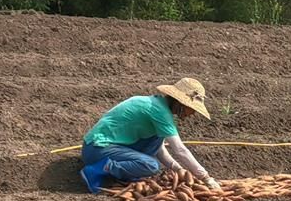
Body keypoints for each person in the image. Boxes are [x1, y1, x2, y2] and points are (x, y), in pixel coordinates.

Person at [79, 78, 224, 194]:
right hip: (97, 149)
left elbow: (158, 147)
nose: (191, 114)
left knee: (155, 139)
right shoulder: (160, 112)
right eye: (191, 109)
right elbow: (180, 150)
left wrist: (178, 169)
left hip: (99, 146)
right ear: (180, 103)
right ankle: (97, 170)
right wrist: (205, 177)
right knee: (151, 165)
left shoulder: (155, 104)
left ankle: (121, 171)